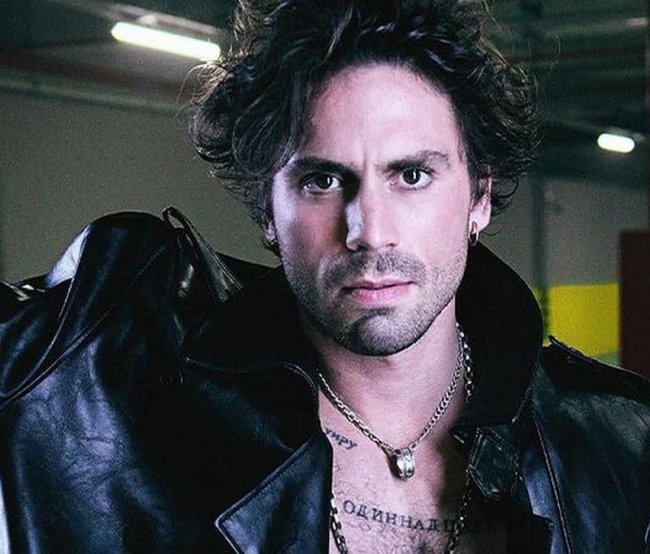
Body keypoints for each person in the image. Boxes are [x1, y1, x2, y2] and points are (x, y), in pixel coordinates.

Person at [0, 0, 648, 553]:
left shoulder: (617, 449)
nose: (369, 230)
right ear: (267, 210)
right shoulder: (166, 427)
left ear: (478, 197)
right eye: (322, 180)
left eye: (412, 175)